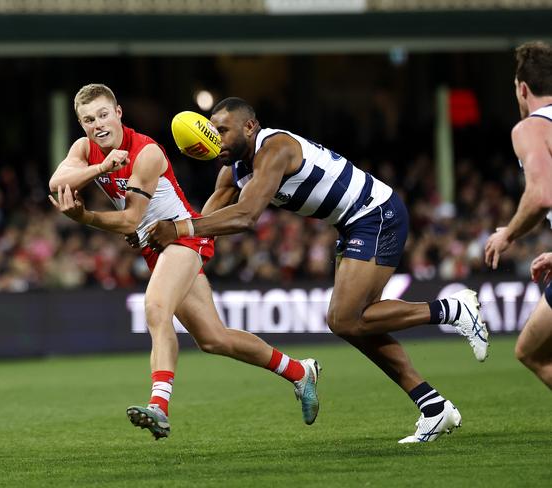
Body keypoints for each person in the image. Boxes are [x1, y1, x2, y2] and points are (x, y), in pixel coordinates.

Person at [147, 97, 490, 443]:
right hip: (352, 225)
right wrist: (183, 256)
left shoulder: (274, 148)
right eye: (211, 130)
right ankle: (433, 407)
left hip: (376, 214)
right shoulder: (233, 169)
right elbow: (205, 224)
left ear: (249, 127)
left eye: (222, 129)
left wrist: (177, 230)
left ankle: (451, 309)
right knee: (355, 325)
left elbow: (246, 215)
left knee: (344, 319)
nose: (214, 137)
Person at [48, 84, 321, 440]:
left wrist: (85, 218)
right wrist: (99, 166)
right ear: (81, 125)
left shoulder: (145, 153)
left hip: (182, 235)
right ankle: (300, 372)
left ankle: (159, 407)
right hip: (154, 245)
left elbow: (131, 221)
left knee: (156, 307)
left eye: (103, 114)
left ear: (118, 114)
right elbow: (57, 181)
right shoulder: (86, 149)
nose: (97, 124)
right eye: (88, 119)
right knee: (214, 339)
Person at [485, 41, 552, 389]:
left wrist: (507, 234)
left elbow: (541, 195)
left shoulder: (531, 128)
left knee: (532, 352)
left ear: (523, 89)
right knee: (530, 349)